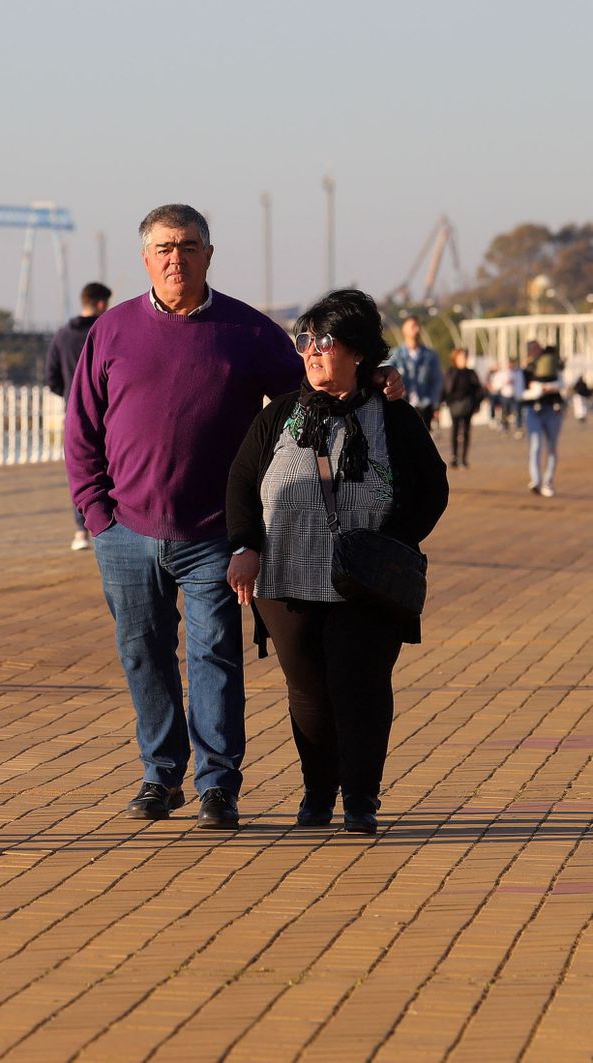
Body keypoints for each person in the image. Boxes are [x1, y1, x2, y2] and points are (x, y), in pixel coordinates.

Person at [65, 204, 404, 831]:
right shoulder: (110, 332)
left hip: (217, 534)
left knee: (215, 655)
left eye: (188, 245)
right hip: (125, 531)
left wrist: (372, 381)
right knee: (143, 654)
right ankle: (160, 775)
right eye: (164, 247)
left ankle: (218, 785)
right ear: (145, 258)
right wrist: (95, 512)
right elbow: (81, 426)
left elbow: (311, 392)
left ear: (209, 254)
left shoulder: (247, 331)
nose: (176, 258)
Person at [227, 289, 448, 834]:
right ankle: (317, 793)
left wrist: (391, 542)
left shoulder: (393, 415)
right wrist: (244, 546)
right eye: (305, 343)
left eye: (325, 343)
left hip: (367, 582)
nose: (312, 353)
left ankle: (361, 799)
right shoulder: (280, 415)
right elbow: (240, 483)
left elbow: (432, 489)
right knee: (307, 689)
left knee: (361, 685)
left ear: (357, 353)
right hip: (286, 576)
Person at [45, 281, 111, 551]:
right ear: (100, 304)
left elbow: (50, 378)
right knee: (111, 469)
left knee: (81, 468)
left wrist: (72, 398)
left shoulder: (62, 335)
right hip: (109, 413)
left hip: (74, 414)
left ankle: (80, 531)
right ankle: (108, 525)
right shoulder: (106, 331)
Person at [521, 340, 566, 497]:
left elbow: (562, 382)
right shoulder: (526, 370)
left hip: (553, 410)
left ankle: (548, 481)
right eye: (532, 349)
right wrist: (537, 391)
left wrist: (550, 387)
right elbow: (520, 393)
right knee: (536, 445)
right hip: (533, 410)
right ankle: (536, 480)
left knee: (552, 447)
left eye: (537, 348)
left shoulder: (552, 363)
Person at [390, 316, 442, 430]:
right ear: (404, 330)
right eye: (413, 326)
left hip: (424, 407)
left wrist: (433, 403)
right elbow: (384, 374)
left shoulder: (430, 355)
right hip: (402, 406)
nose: (417, 329)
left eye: (418, 326)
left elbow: (437, 380)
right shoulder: (395, 355)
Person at [440, 346, 484, 468]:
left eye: (465, 356)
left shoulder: (471, 373)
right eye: (461, 356)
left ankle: (464, 458)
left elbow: (479, 390)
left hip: (468, 405)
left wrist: (476, 404)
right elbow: (444, 389)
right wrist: (440, 404)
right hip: (453, 405)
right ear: (455, 358)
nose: (464, 358)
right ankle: (454, 456)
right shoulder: (450, 371)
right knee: (454, 430)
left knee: (465, 431)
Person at [486, 356, 517, 434]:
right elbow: (488, 383)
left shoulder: (504, 373)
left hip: (502, 394)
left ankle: (506, 422)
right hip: (494, 394)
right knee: (495, 407)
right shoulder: (490, 373)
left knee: (506, 409)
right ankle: (496, 420)